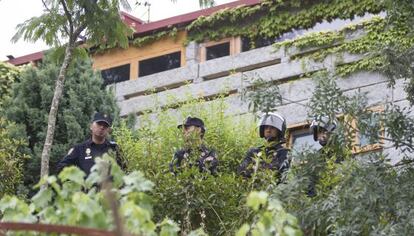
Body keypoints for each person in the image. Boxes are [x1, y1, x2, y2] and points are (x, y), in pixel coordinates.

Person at [57, 112, 125, 176]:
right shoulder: (79, 149)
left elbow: (124, 170)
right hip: (88, 188)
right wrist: (76, 179)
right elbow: (61, 168)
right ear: (91, 126)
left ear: (109, 130)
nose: (102, 127)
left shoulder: (114, 148)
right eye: (99, 124)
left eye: (105, 126)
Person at [238, 112, 290, 180]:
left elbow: (279, 172)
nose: (268, 130)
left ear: (279, 131)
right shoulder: (254, 151)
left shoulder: (284, 152)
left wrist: (256, 167)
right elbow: (242, 170)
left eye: (272, 128)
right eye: (266, 127)